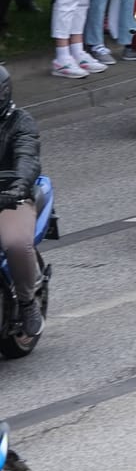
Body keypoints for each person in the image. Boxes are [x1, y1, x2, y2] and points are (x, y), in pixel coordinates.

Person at [0, 66, 44, 338]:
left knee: (15, 243)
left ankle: (28, 302)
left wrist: (18, 187)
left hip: (8, 198)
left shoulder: (20, 121)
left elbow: (27, 158)